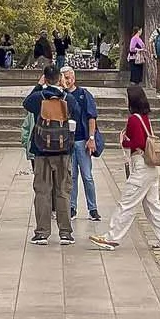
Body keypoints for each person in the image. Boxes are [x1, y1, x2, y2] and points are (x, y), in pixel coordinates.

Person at [92, 84, 160, 252]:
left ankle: (112, 237)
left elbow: (137, 143)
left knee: (127, 202)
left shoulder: (133, 119)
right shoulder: (145, 118)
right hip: (152, 167)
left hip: (141, 166)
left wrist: (124, 141)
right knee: (153, 205)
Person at [24, 65, 77, 244]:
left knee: (42, 191)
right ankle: (65, 232)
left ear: (45, 78)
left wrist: (39, 86)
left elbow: (26, 103)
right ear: (59, 79)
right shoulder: (67, 98)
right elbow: (76, 113)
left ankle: (42, 232)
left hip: (41, 150)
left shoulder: (39, 98)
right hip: (63, 150)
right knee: (63, 191)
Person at [62, 66, 102, 221]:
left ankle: (93, 208)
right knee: (71, 176)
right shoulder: (61, 95)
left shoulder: (84, 94)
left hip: (82, 139)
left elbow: (91, 117)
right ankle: (72, 207)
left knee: (87, 176)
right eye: (65, 77)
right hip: (68, 141)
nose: (68, 79)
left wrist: (91, 138)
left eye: (70, 76)